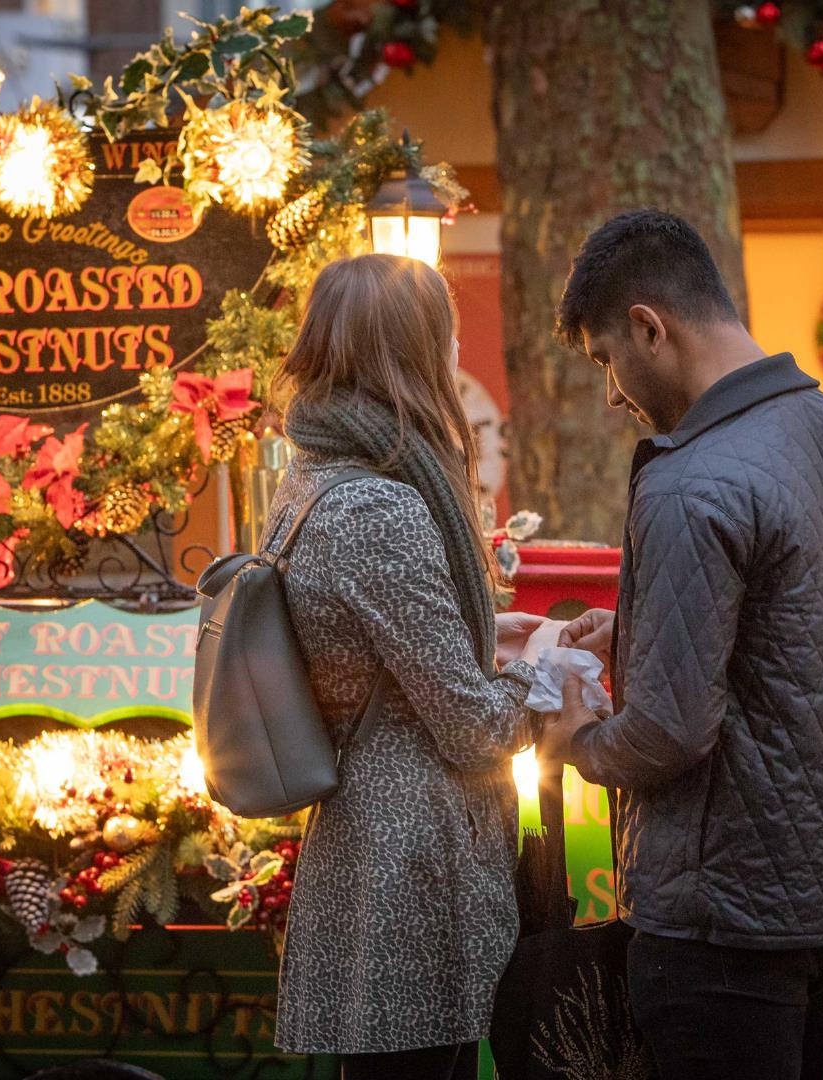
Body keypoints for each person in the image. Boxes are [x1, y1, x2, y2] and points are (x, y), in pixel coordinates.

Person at [540, 209, 823, 1080]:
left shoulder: (690, 478)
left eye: (606, 359)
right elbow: (803, 641)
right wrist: (637, 636)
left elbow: (670, 733)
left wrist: (574, 744)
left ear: (649, 326)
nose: (612, 392)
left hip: (724, 918)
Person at [268, 254, 553, 1080]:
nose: (458, 355)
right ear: (415, 354)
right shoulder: (378, 508)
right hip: (411, 864)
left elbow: (374, 647)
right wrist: (538, 663)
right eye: (447, 337)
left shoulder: (316, 476)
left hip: (376, 843)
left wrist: (496, 631)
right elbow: (477, 730)